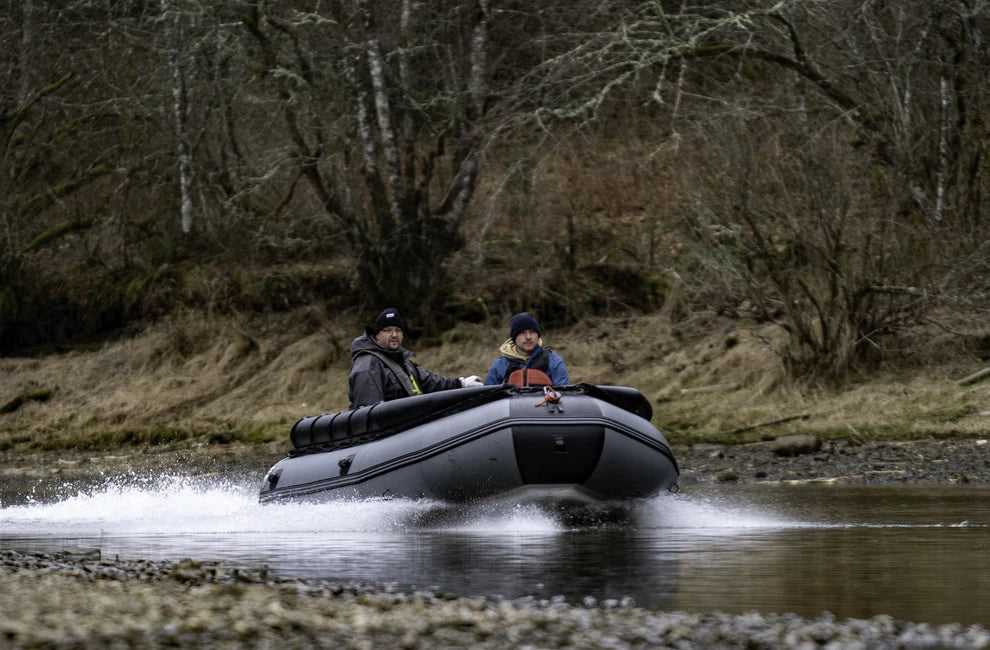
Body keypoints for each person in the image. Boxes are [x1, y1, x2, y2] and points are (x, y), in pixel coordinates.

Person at [348, 307, 482, 409]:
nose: (394, 335)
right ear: (377, 336)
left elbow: (430, 382)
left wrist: (460, 383)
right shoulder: (368, 365)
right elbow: (369, 413)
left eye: (398, 330)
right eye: (388, 330)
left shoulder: (402, 361)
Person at [483, 311, 570, 386]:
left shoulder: (554, 361)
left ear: (538, 336)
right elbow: (487, 398)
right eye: (522, 333)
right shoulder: (500, 365)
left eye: (532, 332)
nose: (528, 337)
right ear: (514, 338)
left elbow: (565, 396)